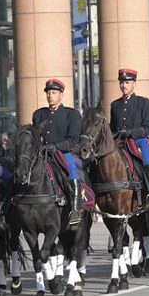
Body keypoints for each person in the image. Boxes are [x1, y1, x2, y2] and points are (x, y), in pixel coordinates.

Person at [32, 79, 84, 226]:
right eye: (48, 93)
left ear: (61, 95)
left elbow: (73, 140)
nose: (50, 96)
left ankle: (75, 210)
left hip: (62, 153)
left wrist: (56, 146)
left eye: (54, 93)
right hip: (41, 154)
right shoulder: (38, 114)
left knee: (72, 171)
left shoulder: (72, 114)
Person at [110, 68, 149, 212]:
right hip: (120, 142)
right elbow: (112, 128)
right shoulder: (115, 105)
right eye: (121, 82)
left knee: (147, 157)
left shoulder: (143, 102)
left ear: (134, 84)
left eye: (127, 82)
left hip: (138, 140)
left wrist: (130, 133)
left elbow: (148, 128)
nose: (124, 85)